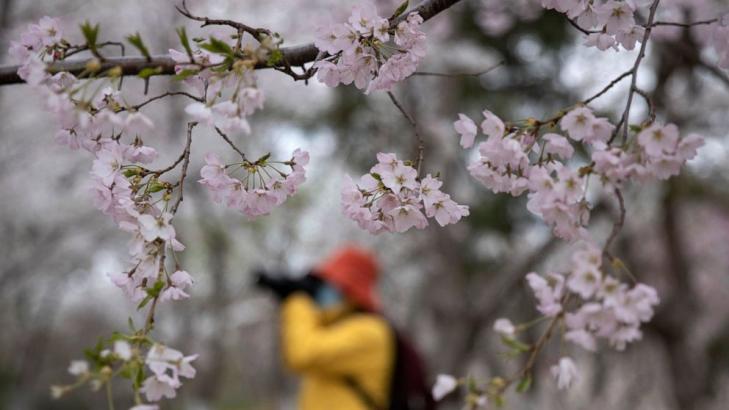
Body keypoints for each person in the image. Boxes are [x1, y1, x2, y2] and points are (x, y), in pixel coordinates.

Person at [257, 245, 433, 410]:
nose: (321, 291)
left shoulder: (371, 331)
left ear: (348, 288)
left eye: (327, 283)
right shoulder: (335, 327)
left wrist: (297, 302)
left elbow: (303, 354)